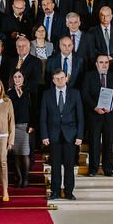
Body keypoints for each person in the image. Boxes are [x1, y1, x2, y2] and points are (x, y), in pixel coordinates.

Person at [41, 70, 83, 200]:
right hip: (53, 134)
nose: (60, 80)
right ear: (53, 80)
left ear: (66, 78)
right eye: (57, 78)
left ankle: (69, 192)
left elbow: (80, 117)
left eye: (62, 78)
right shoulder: (47, 94)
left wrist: (80, 136)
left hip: (70, 135)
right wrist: (44, 135)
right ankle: (55, 191)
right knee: (55, 165)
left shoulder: (75, 93)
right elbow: (43, 117)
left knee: (69, 165)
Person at [81, 55, 113, 177]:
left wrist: (112, 107)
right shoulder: (89, 76)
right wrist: (95, 107)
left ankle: (108, 169)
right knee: (94, 142)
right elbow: (85, 94)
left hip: (109, 116)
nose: (104, 65)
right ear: (96, 64)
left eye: (106, 62)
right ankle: (93, 169)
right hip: (94, 115)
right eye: (101, 62)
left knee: (108, 143)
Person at [7, 70, 34, 187]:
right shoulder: (9, 93)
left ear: (23, 78)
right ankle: (19, 178)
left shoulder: (29, 92)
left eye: (19, 76)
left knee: (25, 153)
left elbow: (34, 109)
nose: (17, 79)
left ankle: (26, 178)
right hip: (14, 127)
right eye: (15, 77)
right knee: (16, 154)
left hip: (26, 127)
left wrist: (32, 125)